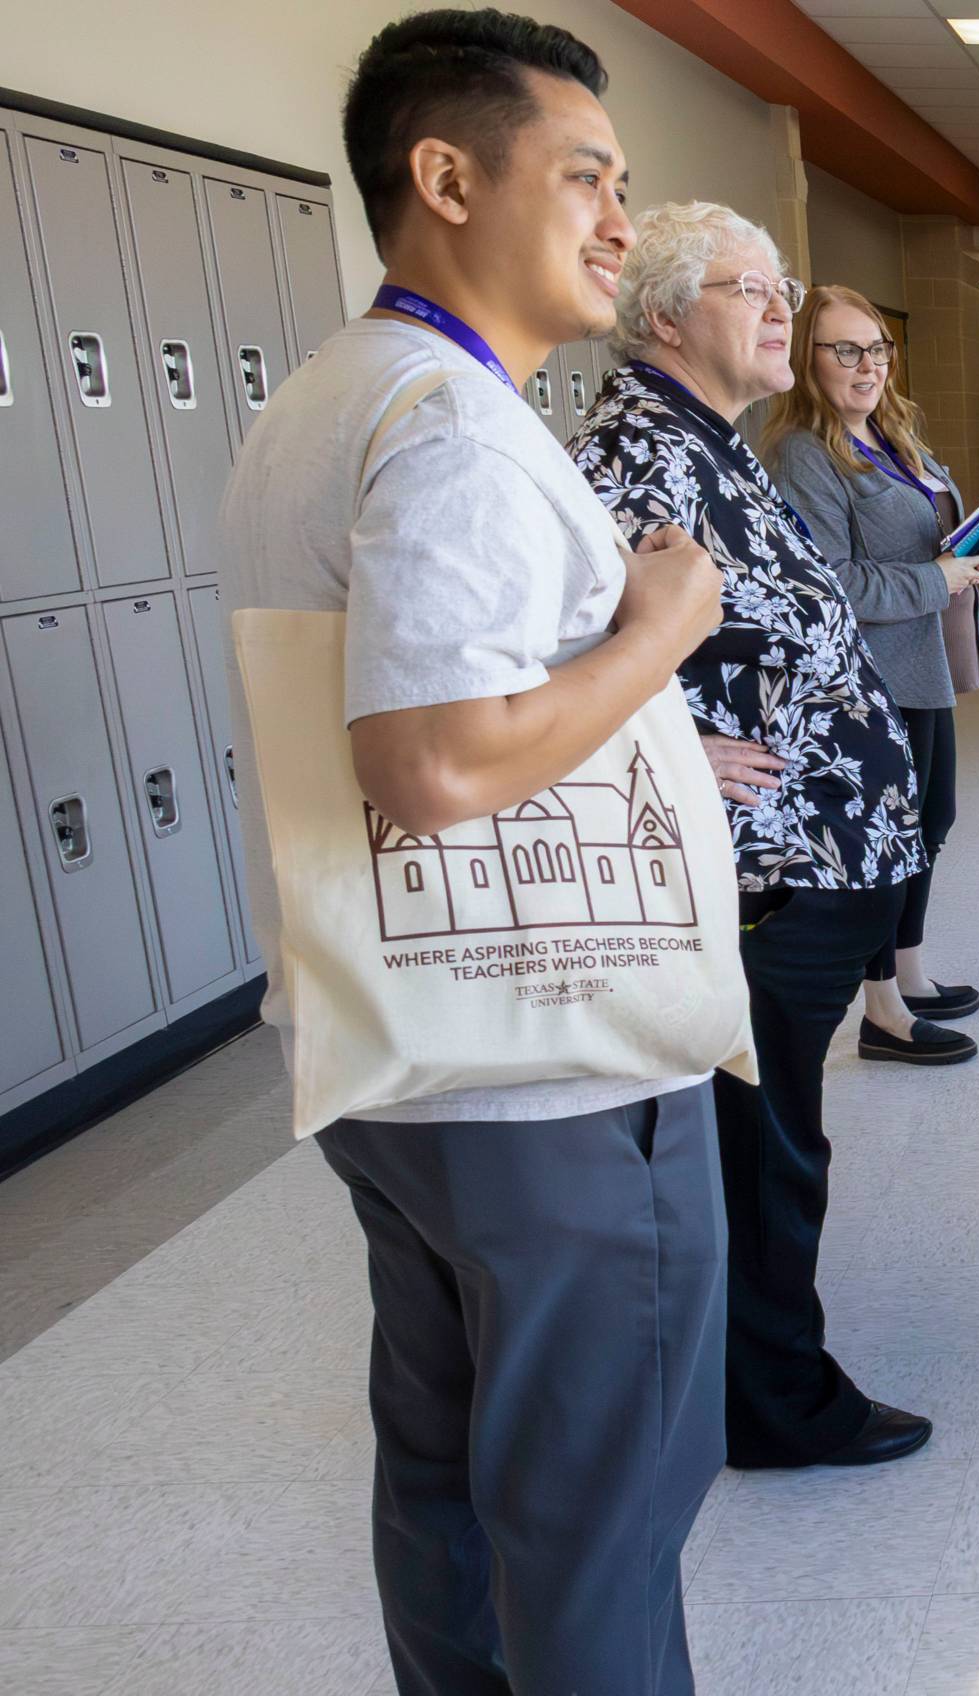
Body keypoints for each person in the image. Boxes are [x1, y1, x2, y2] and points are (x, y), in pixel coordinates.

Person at [216, 12, 729, 1691]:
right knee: (597, 1508)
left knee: (444, 1472)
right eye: (587, 178)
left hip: (398, 1048)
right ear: (445, 177)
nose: (617, 224)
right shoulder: (453, 427)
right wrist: (657, 635)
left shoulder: (330, 394)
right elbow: (432, 762)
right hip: (550, 1078)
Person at [566, 201, 939, 1470]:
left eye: (782, 285)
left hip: (808, 856)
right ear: (667, 315)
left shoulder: (709, 441)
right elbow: (556, 649)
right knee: (762, 1143)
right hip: (760, 871)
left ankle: (754, 1367)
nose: (780, 308)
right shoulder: (637, 453)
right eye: (749, 289)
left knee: (768, 1136)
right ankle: (773, 1399)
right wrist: (662, 746)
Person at [764, 284, 979, 1062]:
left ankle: (909, 972)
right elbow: (830, 583)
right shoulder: (804, 454)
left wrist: (969, 556)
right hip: (868, 685)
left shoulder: (894, 436)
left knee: (931, 823)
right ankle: (882, 1013)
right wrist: (942, 578)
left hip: (917, 667)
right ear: (807, 359)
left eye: (878, 348)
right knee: (888, 841)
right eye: (846, 350)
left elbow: (927, 544)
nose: (868, 366)